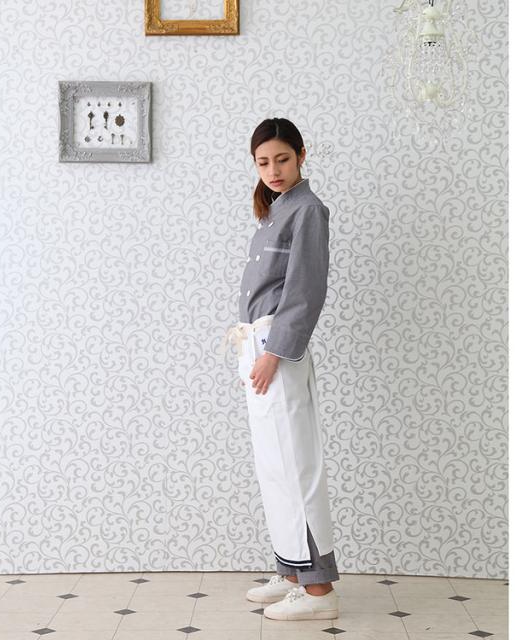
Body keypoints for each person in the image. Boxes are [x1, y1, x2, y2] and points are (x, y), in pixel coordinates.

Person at [221, 117, 340, 621]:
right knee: (273, 464)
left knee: (295, 464)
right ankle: (292, 572)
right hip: (257, 345)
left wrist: (274, 352)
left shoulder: (308, 210)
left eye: (282, 159)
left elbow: (305, 290)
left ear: (301, 155)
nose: (273, 169)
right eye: (263, 162)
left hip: (278, 349)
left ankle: (320, 591)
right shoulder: (273, 211)